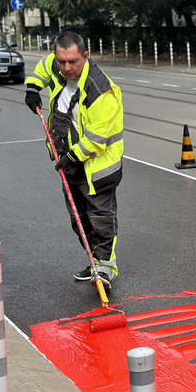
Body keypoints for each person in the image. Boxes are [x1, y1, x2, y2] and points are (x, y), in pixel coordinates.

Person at [24, 32, 125, 287]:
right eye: (62, 61)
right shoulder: (56, 65)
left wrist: (71, 158)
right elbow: (44, 67)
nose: (66, 68)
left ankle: (104, 269)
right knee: (78, 219)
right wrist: (34, 87)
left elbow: (96, 138)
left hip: (96, 167)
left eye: (73, 62)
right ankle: (94, 262)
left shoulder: (102, 91)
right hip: (67, 162)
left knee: (101, 218)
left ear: (86, 56)